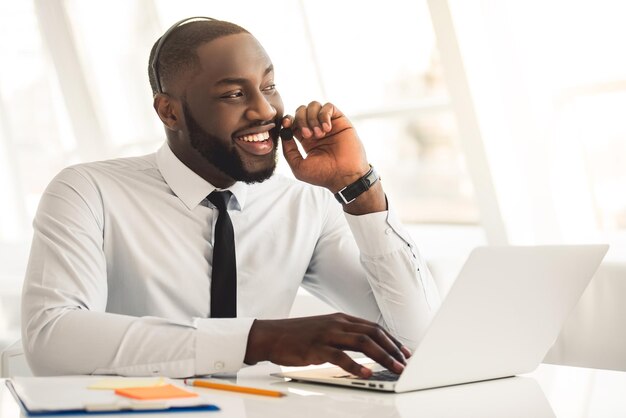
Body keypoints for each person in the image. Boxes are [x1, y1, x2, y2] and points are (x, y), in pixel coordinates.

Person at [21, 17, 440, 378]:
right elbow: (52, 341)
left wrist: (359, 187)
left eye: (269, 86)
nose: (266, 111)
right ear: (169, 112)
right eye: (234, 94)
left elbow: (416, 339)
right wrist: (259, 339)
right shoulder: (88, 192)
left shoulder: (305, 203)